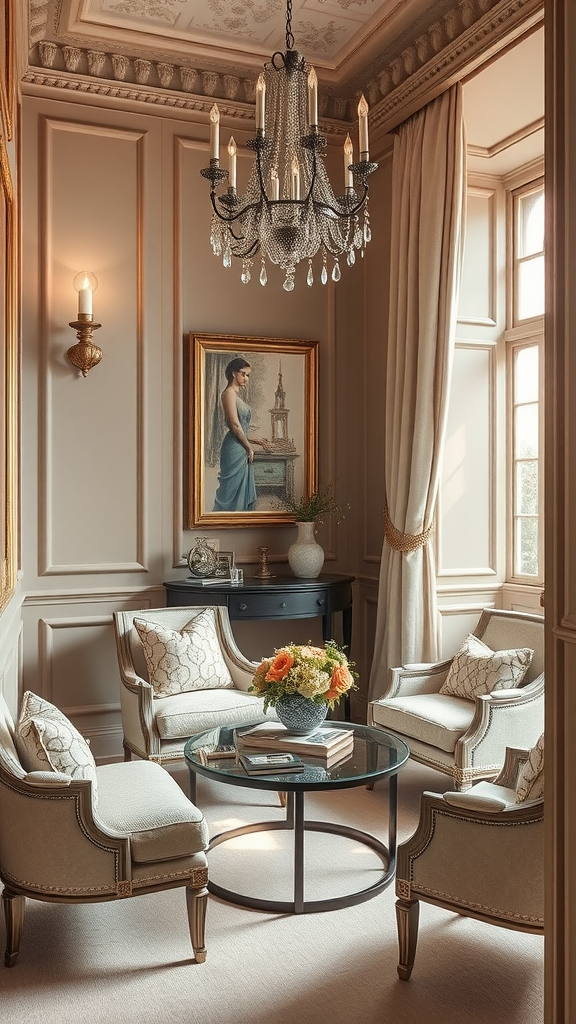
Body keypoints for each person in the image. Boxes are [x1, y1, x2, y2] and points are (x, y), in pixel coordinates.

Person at [213, 357, 270, 512]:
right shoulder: (229, 394)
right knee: (230, 492)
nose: (246, 379)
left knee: (242, 491)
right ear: (233, 373)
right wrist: (249, 449)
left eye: (248, 375)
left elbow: (240, 428)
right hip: (233, 449)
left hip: (240, 446)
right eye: (243, 374)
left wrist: (254, 439)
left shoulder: (236, 396)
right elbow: (234, 426)